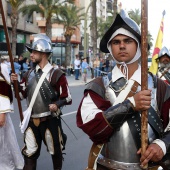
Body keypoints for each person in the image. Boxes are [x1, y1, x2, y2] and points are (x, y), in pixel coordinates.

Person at [76, 10, 170, 170]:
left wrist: (162, 144)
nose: (121, 45)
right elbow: (92, 127)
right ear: (110, 47)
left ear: (138, 45)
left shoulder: (159, 86)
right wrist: (131, 105)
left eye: (128, 40)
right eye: (116, 42)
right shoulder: (98, 86)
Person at [11, 34, 72, 170]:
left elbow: (67, 97)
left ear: (43, 54)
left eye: (33, 52)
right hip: (32, 121)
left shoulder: (56, 74)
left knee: (55, 153)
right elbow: (20, 96)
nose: (31, 55)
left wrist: (57, 104)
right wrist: (14, 83)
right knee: (29, 155)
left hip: (50, 120)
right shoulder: (28, 74)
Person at [0, 55, 24, 169]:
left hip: (0, 110)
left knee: (4, 143)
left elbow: (5, 88)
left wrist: (2, 112)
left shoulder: (2, 67)